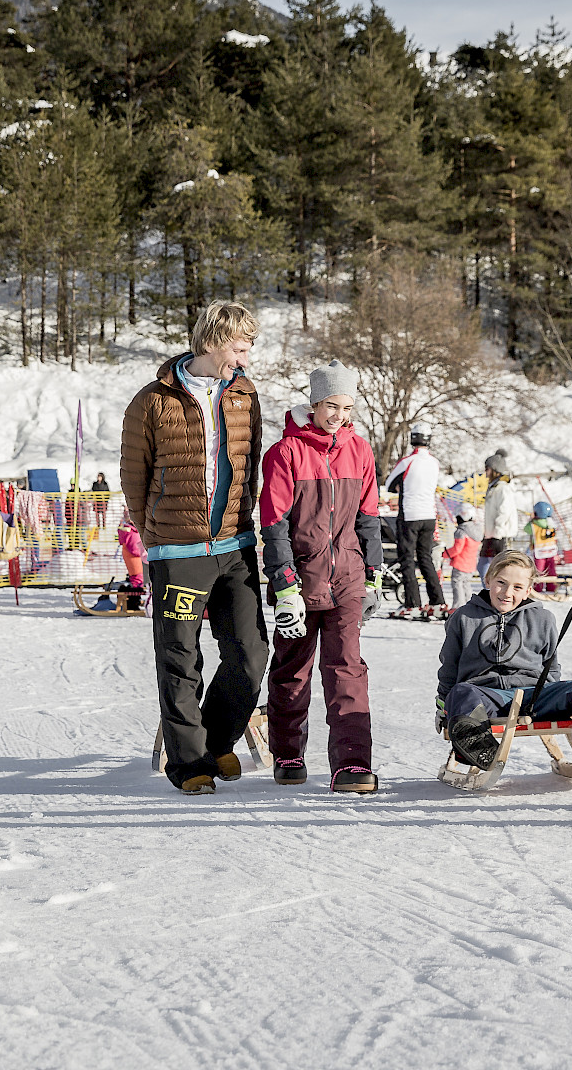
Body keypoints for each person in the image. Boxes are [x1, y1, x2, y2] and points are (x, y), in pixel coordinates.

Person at [118, 299, 270, 796]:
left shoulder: (244, 394)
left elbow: (251, 466)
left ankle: (215, 740)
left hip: (235, 545)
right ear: (212, 341)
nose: (244, 359)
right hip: (177, 551)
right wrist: (156, 535)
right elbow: (134, 476)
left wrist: (244, 520)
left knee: (250, 653)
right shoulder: (152, 401)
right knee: (180, 659)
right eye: (238, 348)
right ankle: (188, 763)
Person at [260, 361, 385, 794]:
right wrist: (284, 586)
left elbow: (368, 517)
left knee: (347, 668)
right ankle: (287, 752)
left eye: (347, 407)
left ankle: (352, 763)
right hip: (300, 579)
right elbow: (274, 524)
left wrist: (373, 576)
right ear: (314, 403)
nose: (339, 415)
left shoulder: (360, 451)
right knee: (293, 669)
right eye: (331, 405)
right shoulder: (285, 453)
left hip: (347, 577)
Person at [437, 550, 572, 770]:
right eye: (501, 583)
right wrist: (445, 705)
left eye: (517, 587)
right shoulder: (463, 617)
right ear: (487, 580)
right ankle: (478, 750)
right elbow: (449, 667)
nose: (507, 593)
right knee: (461, 693)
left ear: (528, 590)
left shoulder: (542, 619)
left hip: (533, 696)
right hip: (486, 698)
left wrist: (550, 697)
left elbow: (550, 665)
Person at [383, 425, 445, 614]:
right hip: (429, 516)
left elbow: (389, 484)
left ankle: (412, 603)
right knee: (426, 558)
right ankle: (437, 602)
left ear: (413, 438)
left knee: (407, 559)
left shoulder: (407, 461)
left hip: (409, 515)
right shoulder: (434, 462)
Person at [480, 451, 520, 560]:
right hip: (491, 535)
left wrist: (498, 532)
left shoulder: (503, 488)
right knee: (483, 563)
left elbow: (504, 511)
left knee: (499, 564)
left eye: (487, 469)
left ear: (495, 470)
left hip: (501, 535)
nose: (485, 472)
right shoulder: (493, 488)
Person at [444, 501, 483, 605]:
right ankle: (469, 604)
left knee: (457, 583)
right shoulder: (476, 531)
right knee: (466, 584)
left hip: (460, 563)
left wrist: (445, 553)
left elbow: (457, 549)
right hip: (471, 564)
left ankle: (458, 605)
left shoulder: (461, 532)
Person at [526, 500, 561, 593]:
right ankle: (552, 587)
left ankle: (538, 588)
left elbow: (526, 529)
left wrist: (531, 519)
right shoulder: (551, 523)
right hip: (551, 550)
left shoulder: (533, 525)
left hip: (540, 551)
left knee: (539, 570)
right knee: (551, 570)